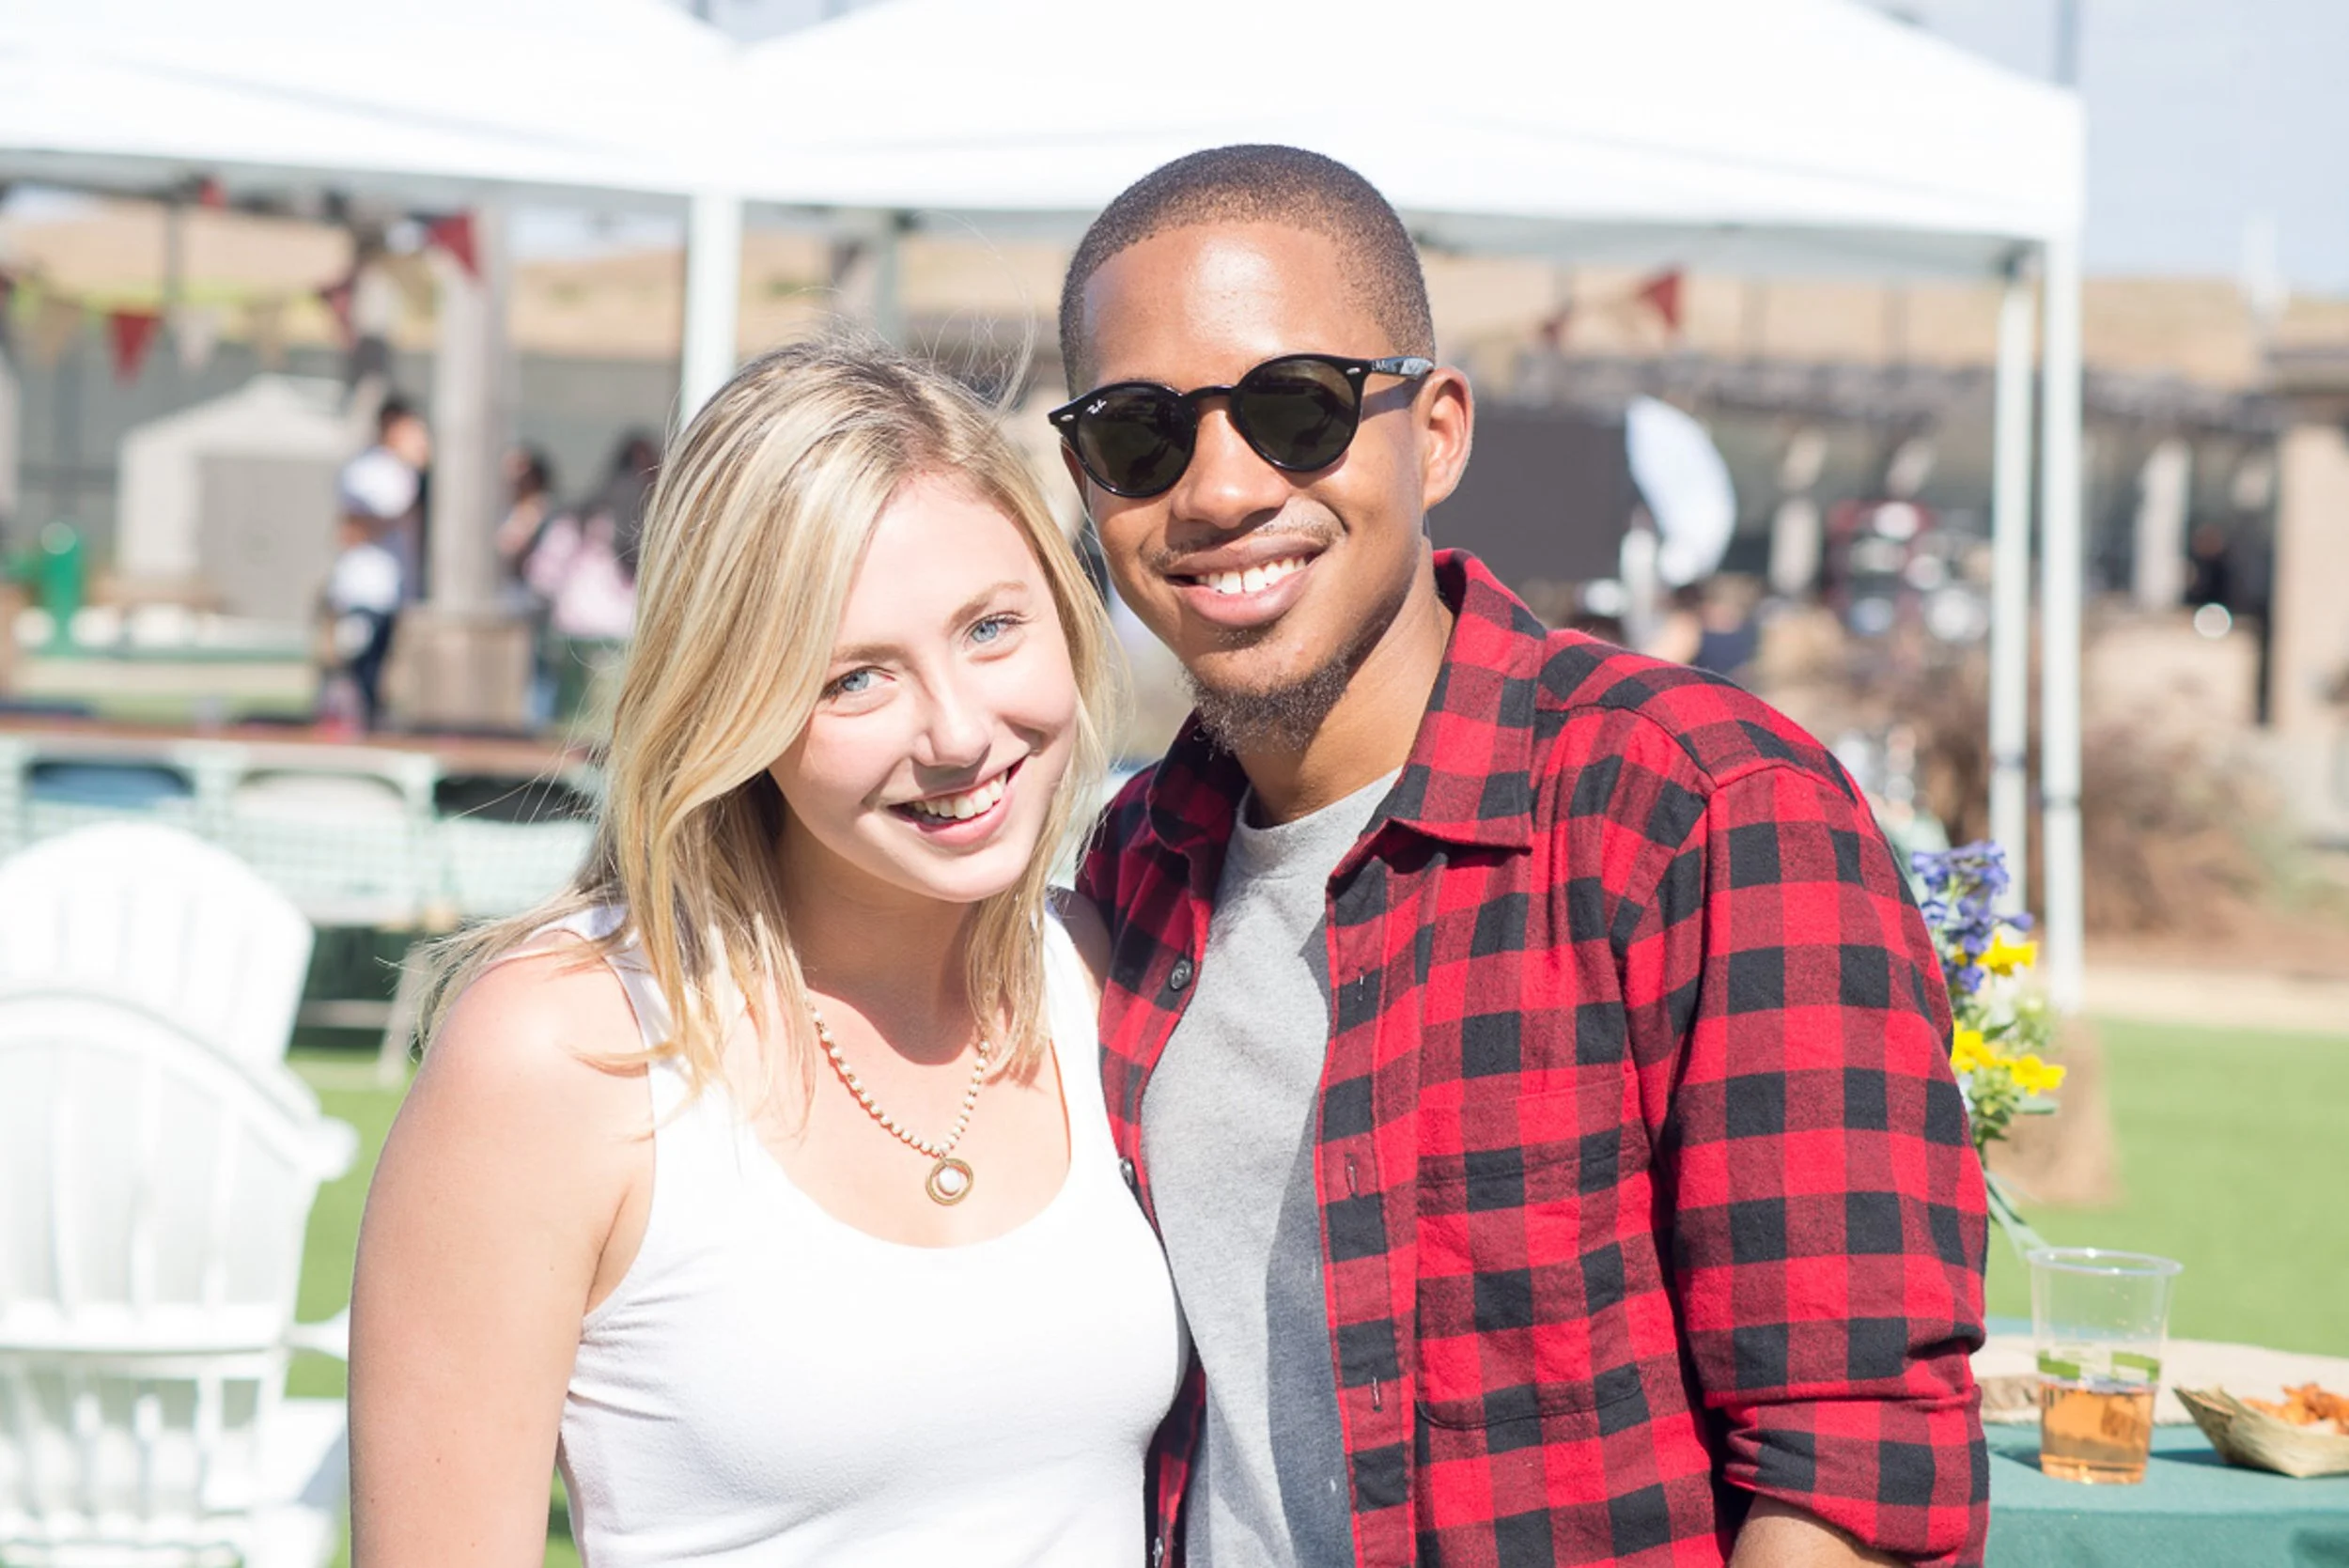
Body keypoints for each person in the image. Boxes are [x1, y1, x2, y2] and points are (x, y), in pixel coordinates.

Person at [1060, 146, 1988, 1568]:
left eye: (1295, 409)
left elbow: (1850, 1474)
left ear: (1435, 434)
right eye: (1141, 435)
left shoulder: (1702, 812)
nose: (1219, 488)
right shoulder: (1137, 861)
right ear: (1088, 480)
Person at [349, 338, 1185, 1565]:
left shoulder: (1102, 975)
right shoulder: (564, 1051)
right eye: (853, 679)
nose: (958, 731)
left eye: (994, 627)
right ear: (729, 697)